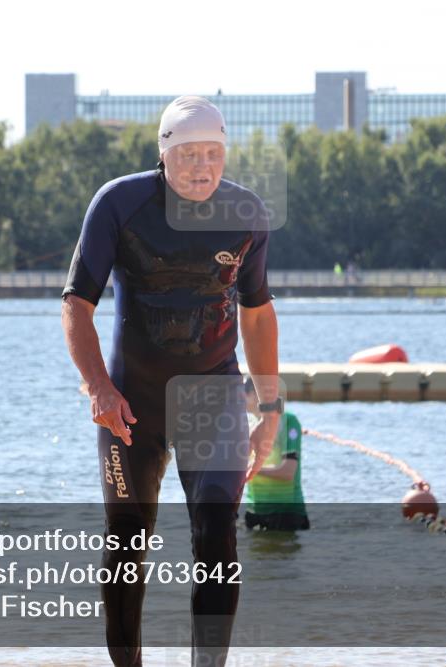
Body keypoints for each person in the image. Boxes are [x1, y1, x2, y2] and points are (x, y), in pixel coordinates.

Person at [61, 95, 280, 667]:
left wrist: (271, 409)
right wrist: (98, 388)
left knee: (217, 533)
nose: (203, 167)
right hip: (132, 403)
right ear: (164, 154)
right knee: (127, 539)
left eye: (213, 154)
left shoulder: (246, 213)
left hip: (215, 397)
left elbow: (258, 314)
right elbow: (76, 304)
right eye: (189, 154)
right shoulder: (120, 203)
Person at [242, 377, 309, 531]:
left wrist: (251, 470)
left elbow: (288, 472)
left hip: (286, 512)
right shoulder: (248, 424)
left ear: (257, 394)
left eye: (243, 392)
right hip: (254, 510)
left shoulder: (288, 421)